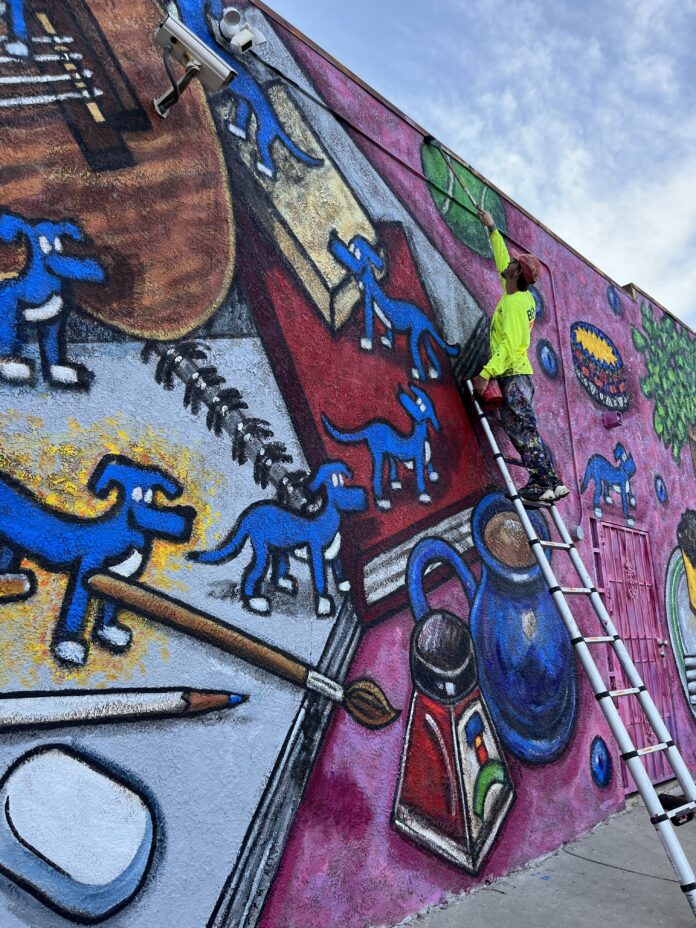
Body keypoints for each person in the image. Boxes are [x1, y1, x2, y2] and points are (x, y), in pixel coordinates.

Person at [472, 209, 568, 504]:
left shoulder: (514, 304)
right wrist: (492, 229)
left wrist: (486, 373)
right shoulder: (518, 295)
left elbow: (510, 346)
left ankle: (540, 482)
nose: (508, 263)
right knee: (526, 426)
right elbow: (502, 259)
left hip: (513, 374)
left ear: (516, 273)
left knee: (521, 427)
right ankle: (551, 482)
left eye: (513, 263)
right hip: (519, 375)